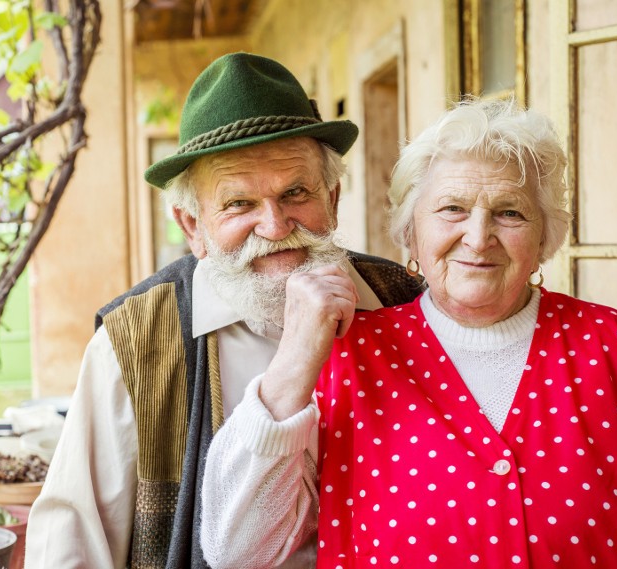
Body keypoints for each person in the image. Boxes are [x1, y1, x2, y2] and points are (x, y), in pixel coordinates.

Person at [200, 98, 617, 568]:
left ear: (545, 238)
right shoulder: (348, 358)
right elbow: (239, 552)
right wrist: (294, 361)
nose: (478, 237)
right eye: (452, 209)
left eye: (509, 212)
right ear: (410, 232)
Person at [24, 52, 422, 569]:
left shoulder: (401, 300)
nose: (276, 226)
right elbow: (71, 543)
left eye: (296, 192)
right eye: (239, 204)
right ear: (193, 226)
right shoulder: (137, 342)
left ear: (334, 197)